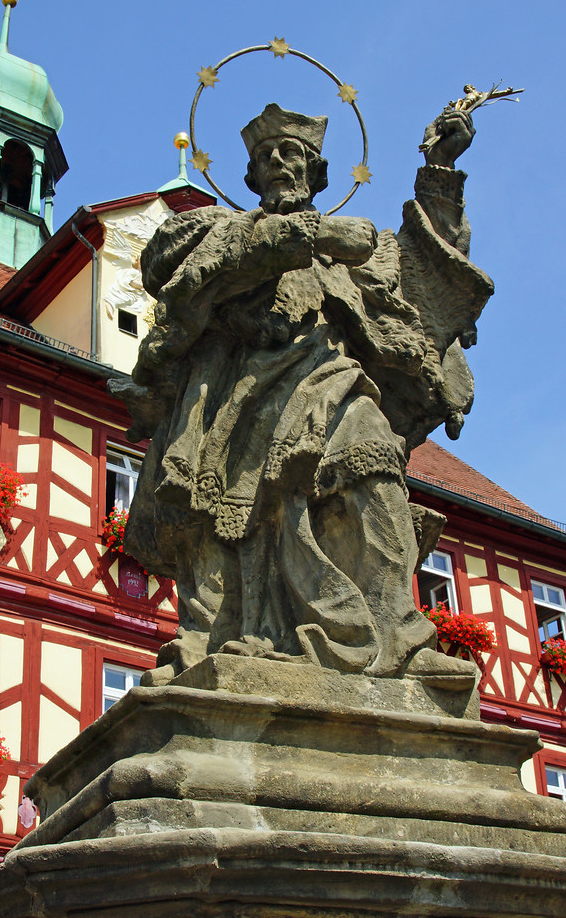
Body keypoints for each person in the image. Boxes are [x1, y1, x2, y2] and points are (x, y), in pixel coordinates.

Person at [111, 103, 493, 689]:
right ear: (250, 180)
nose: (279, 165)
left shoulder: (355, 256)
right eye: (265, 159)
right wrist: (311, 233)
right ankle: (245, 634)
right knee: (239, 524)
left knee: (375, 467)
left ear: (318, 173)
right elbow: (179, 268)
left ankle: (402, 637)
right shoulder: (222, 229)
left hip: (333, 384)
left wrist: (438, 173)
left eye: (293, 156)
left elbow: (424, 272)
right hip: (241, 402)